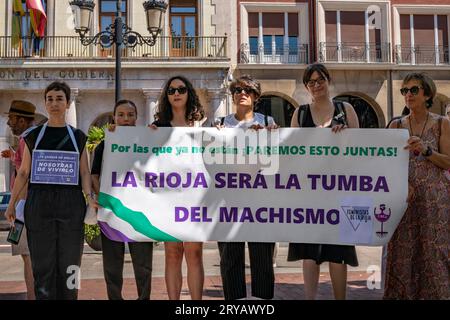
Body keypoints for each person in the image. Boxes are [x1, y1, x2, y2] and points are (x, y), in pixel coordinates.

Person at [4, 81, 97, 300]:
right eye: (50, 99)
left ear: (67, 103)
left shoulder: (78, 137)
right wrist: (11, 205)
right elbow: (24, 173)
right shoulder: (32, 137)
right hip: (39, 205)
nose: (54, 104)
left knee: (71, 262)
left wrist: (89, 198)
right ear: (45, 103)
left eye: (59, 99)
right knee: (42, 264)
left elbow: (84, 173)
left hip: (71, 205)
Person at [288, 63, 360, 300]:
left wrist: (346, 136)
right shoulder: (300, 114)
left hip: (339, 191)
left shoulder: (345, 109)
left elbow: (361, 149)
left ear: (328, 81)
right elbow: (293, 153)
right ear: (307, 86)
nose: (316, 85)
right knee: (310, 253)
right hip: (309, 193)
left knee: (338, 252)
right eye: (311, 82)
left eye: (320, 80)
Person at [385, 73, 449, 299]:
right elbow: (386, 163)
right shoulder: (395, 125)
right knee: (403, 252)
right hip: (404, 197)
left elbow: (448, 161)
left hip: (435, 198)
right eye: (404, 91)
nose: (408, 95)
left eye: (413, 90)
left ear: (427, 94)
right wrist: (401, 185)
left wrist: (427, 150)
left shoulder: (442, 123)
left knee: (434, 253)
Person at [217, 75, 277, 300]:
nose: (242, 93)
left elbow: (277, 160)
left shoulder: (269, 122)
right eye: (238, 90)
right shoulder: (221, 124)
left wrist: (273, 138)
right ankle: (234, 302)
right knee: (230, 258)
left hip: (261, 200)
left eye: (248, 90)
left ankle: (262, 302)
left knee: (262, 259)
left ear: (256, 97)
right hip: (229, 200)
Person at [91, 100, 154, 300]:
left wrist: (155, 136)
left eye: (130, 114)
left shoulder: (147, 141)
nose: (125, 119)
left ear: (136, 117)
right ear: (114, 118)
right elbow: (94, 175)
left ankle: (144, 297)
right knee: (112, 263)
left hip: (140, 212)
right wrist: (102, 195)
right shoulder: (104, 144)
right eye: (121, 115)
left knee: (143, 263)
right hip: (111, 211)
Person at [152, 75, 206, 300]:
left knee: (194, 254)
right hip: (168, 198)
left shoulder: (202, 125)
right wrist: (119, 133)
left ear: (189, 93)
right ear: (166, 95)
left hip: (196, 198)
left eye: (181, 89)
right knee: (172, 253)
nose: (176, 93)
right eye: (172, 90)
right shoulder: (157, 127)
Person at [1, 100, 36, 300]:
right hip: (27, 206)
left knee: (28, 255)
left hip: (23, 208)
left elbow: (25, 175)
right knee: (28, 255)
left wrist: (13, 205)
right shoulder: (32, 138)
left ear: (21, 121)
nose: (8, 123)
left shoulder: (26, 140)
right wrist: (14, 156)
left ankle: (32, 296)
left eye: (11, 119)